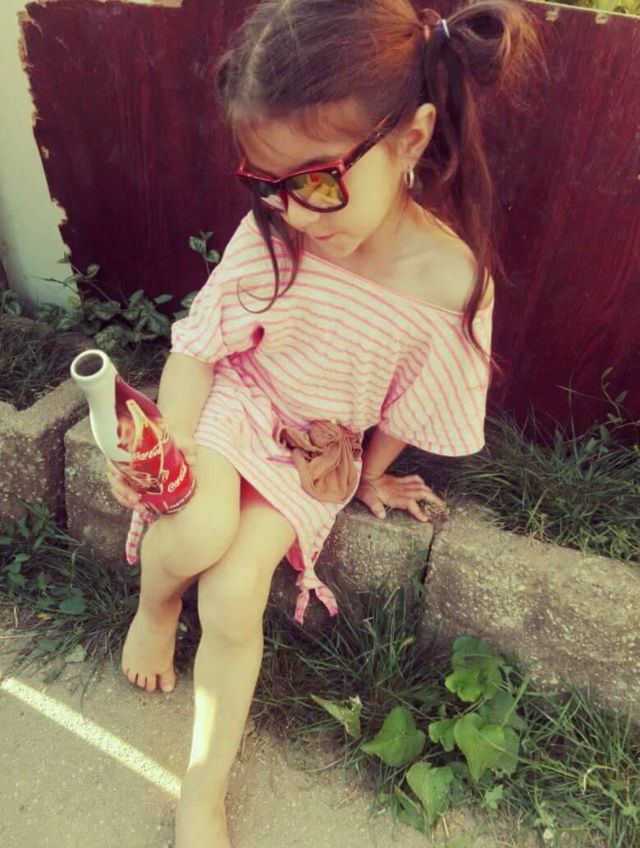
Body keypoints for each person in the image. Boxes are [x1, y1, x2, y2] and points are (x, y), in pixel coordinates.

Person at [104, 1, 545, 845]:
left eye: (316, 181)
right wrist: (179, 440)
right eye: (266, 184)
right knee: (198, 529)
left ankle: (202, 788)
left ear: (411, 139)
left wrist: (370, 472)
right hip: (238, 401)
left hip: (316, 454)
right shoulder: (278, 233)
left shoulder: (451, 285)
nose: (295, 212)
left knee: (236, 593)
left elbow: (412, 400)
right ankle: (155, 608)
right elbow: (202, 347)